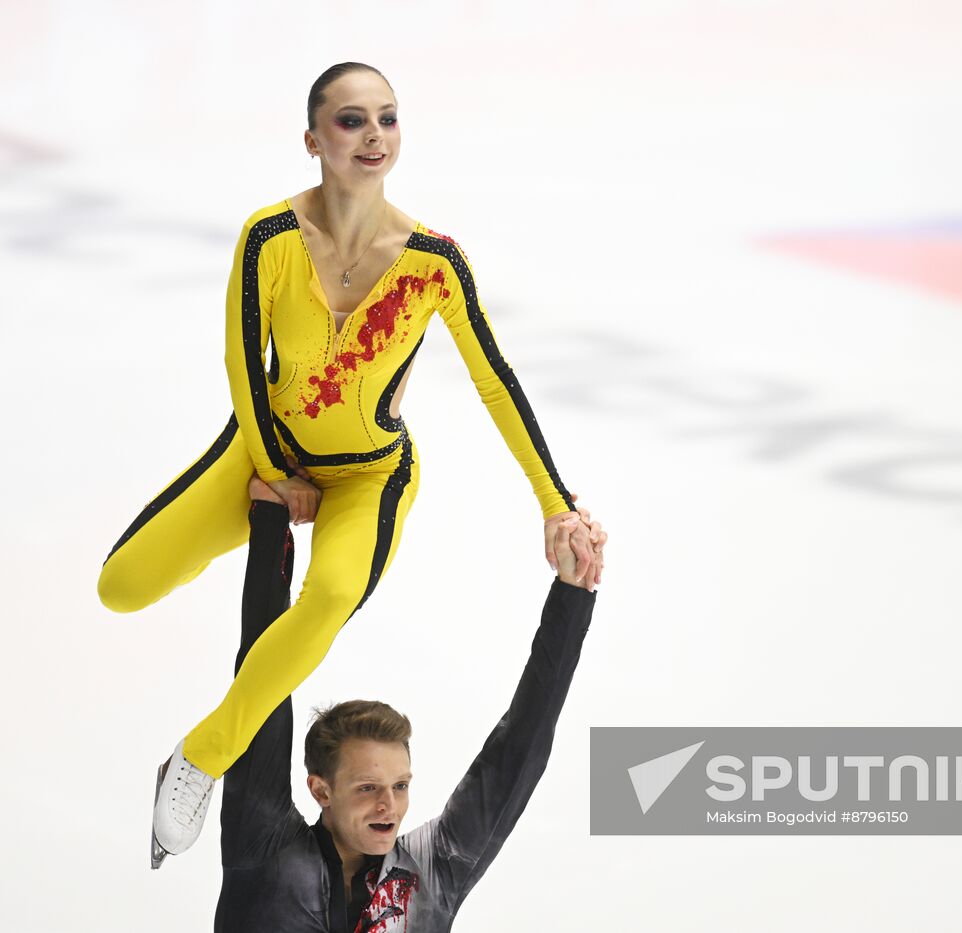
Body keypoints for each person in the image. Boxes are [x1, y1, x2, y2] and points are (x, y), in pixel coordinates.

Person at [96, 60, 602, 856]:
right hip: (266, 447)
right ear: (312, 138)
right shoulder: (267, 236)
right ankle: (234, 549)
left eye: (388, 118)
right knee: (121, 586)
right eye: (352, 120)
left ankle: (199, 757)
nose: (374, 136)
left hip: (371, 474)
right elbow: (241, 366)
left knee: (328, 595)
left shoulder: (434, 260)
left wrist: (556, 500)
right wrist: (274, 472)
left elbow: (496, 382)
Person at [201, 477, 600, 932]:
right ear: (320, 790)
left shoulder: (432, 869)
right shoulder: (265, 847)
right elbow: (261, 688)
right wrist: (270, 519)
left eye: (401, 785)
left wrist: (574, 589)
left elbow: (519, 748)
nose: (389, 806)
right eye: (368, 788)